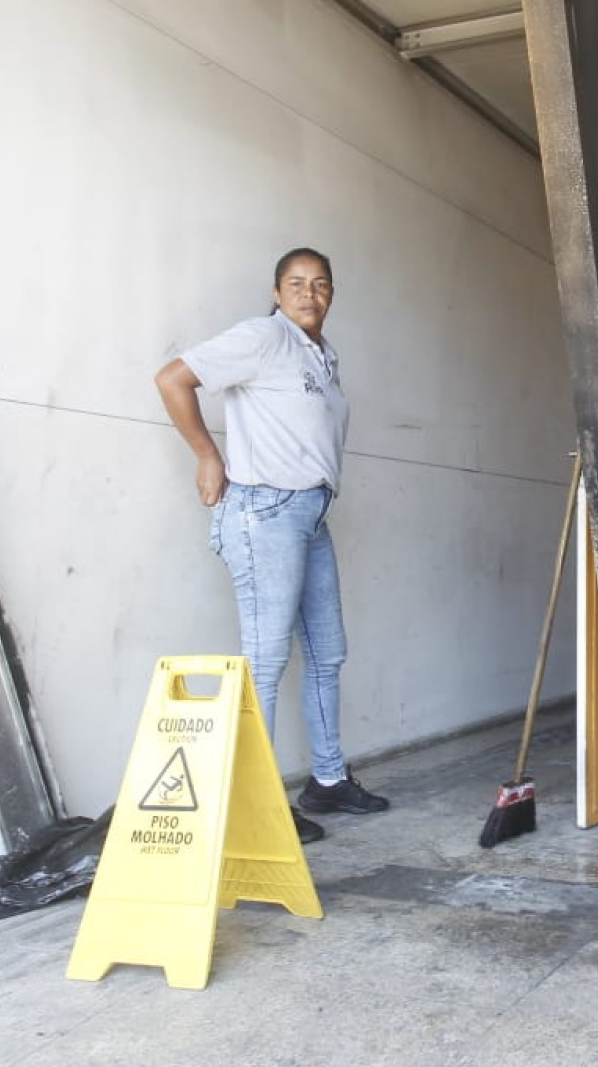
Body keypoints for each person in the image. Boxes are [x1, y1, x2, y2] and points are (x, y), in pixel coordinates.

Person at [153, 247, 389, 846]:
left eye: (321, 284)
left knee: (327, 653)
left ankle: (328, 781)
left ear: (331, 294)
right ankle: (252, 804)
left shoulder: (322, 355)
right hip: (264, 510)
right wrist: (210, 456)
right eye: (296, 283)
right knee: (264, 661)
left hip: (310, 514)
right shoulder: (264, 337)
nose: (310, 294)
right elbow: (174, 379)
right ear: (277, 290)